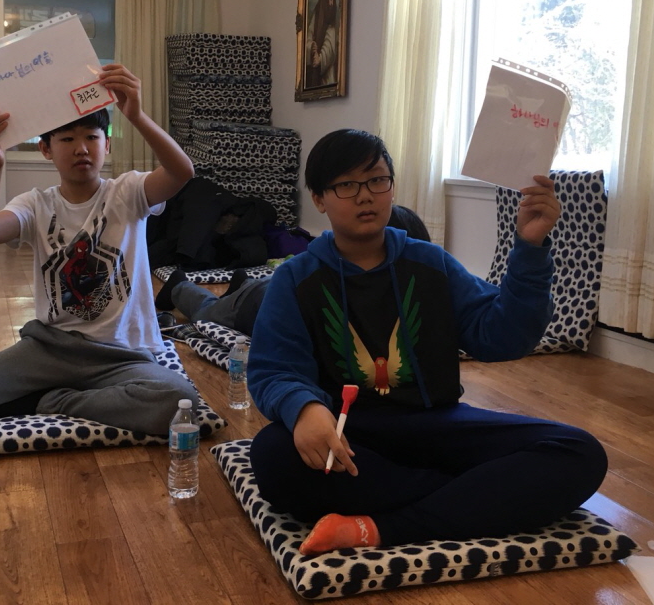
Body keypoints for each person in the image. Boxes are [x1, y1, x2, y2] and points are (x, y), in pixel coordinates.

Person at [247, 128, 607, 556]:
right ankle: (472, 497)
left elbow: (502, 338)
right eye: (346, 185)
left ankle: (380, 528)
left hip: (438, 426)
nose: (366, 196)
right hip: (350, 436)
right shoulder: (294, 278)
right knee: (273, 454)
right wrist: (305, 410)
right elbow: (274, 369)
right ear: (319, 198)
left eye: (377, 180)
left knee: (579, 453)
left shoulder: (432, 264)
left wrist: (529, 248)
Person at [0, 64, 199, 438]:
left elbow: (182, 172)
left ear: (107, 144)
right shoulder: (35, 204)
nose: (81, 148)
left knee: (178, 401)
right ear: (45, 149)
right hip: (49, 350)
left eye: (92, 137)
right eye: (66, 139)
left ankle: (50, 400)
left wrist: (136, 115)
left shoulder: (128, 192)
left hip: (122, 355)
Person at [154, 205, 431, 337]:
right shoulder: (333, 290)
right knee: (206, 313)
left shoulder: (409, 290)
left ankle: (242, 284)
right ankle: (179, 285)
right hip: (256, 302)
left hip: (266, 288)